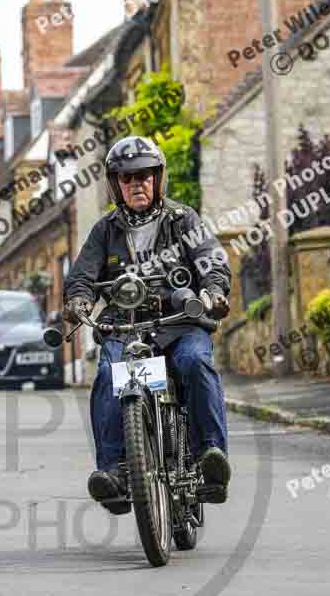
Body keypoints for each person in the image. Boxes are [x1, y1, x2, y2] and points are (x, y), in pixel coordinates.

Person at [63, 136, 232, 514]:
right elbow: (82, 277)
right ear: (115, 184)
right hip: (125, 326)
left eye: (144, 175)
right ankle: (114, 472)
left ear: (158, 179)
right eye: (127, 178)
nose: (136, 183)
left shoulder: (183, 219)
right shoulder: (104, 231)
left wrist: (214, 290)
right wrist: (79, 300)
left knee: (194, 363)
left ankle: (210, 458)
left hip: (180, 321)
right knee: (108, 374)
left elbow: (210, 260)